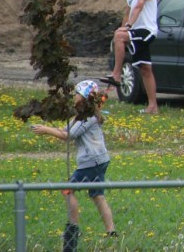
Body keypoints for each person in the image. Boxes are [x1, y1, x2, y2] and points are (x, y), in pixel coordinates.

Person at [31, 80, 117, 250]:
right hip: (100, 159)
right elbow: (66, 129)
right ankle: (111, 232)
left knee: (68, 190)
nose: (74, 97)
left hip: (91, 162)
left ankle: (74, 228)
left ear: (84, 98)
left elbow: (68, 135)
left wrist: (46, 130)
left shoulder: (88, 117)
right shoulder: (82, 115)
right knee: (97, 195)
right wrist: (50, 126)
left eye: (76, 94)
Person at [102, 0, 159, 114]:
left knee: (120, 37)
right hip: (136, 31)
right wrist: (123, 27)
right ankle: (153, 106)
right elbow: (128, 12)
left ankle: (117, 74)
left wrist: (127, 28)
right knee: (145, 68)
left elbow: (139, 6)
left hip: (147, 30)